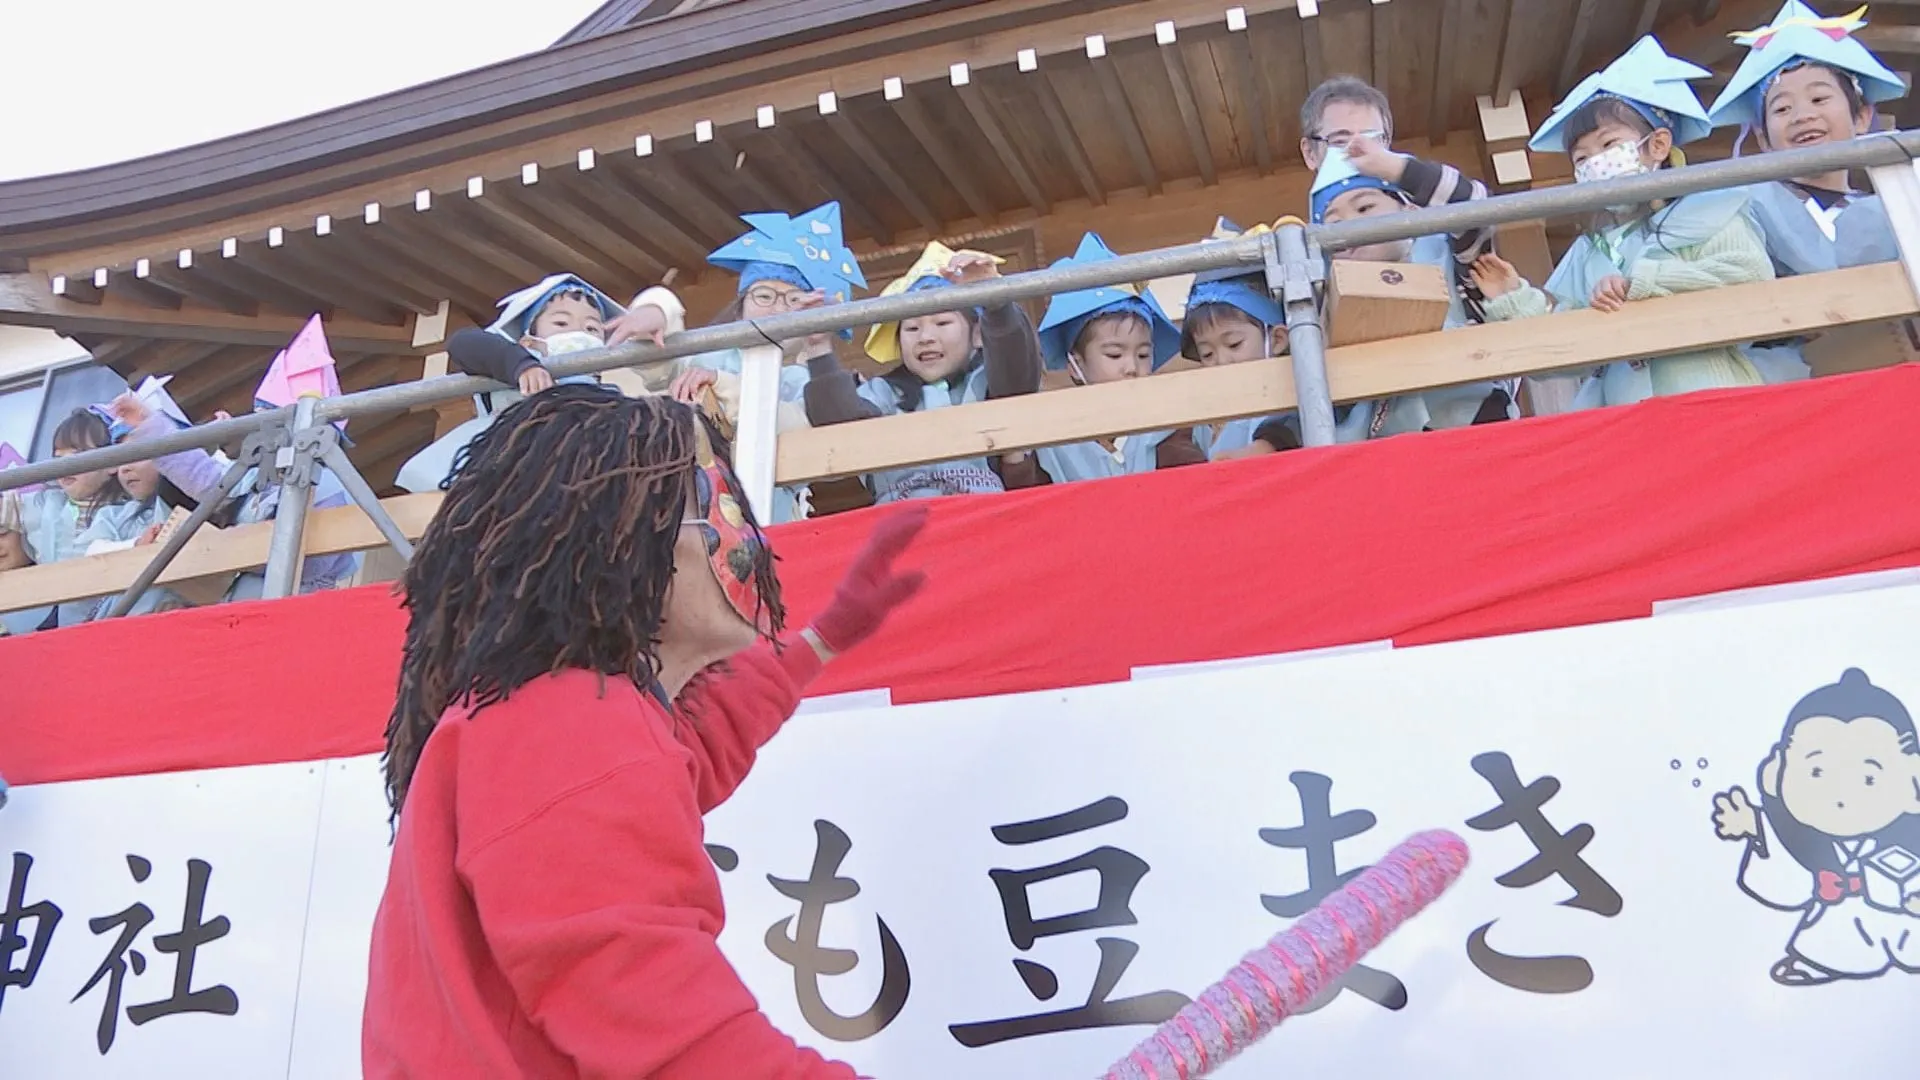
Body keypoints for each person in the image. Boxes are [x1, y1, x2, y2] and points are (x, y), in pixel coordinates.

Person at [364, 384, 928, 1077]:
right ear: (613, 535)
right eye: (703, 498)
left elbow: (685, 750)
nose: (740, 531)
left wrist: (821, 641)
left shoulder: (553, 715)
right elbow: (669, 1031)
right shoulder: (565, 718)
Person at [1474, 36, 1774, 410]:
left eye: (1608, 144)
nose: (1594, 163)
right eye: (1581, 158)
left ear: (1658, 145)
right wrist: (1516, 298)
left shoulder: (1713, 210)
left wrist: (1644, 283)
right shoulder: (1587, 251)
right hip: (1623, 420)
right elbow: (1559, 351)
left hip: (1713, 399)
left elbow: (1751, 277)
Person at [1706, 1, 1909, 382]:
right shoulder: (1744, 206)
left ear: (1862, 116)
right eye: (1782, 109)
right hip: (1788, 384)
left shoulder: (1901, 202)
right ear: (1764, 138)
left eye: (1819, 99)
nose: (1802, 116)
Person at [636, 201, 869, 523]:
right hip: (686, 514)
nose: (776, 309)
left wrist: (723, 385)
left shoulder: (801, 380)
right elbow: (656, 366)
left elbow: (802, 433)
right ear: (740, 306)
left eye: (793, 300)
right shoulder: (703, 355)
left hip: (771, 520)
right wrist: (658, 307)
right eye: (763, 296)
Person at [1711, 669, 1920, 985]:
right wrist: (1755, 828)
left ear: (1913, 783)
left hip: (1903, 916)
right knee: (1831, 944)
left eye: (1868, 778)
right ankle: (1819, 964)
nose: (1841, 795)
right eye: (1817, 772)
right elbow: (1785, 883)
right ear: (1777, 771)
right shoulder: (1806, 846)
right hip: (1841, 917)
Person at [804, 241, 1045, 502]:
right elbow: (840, 425)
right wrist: (820, 350)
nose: (926, 337)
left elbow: (1017, 368)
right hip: (903, 519)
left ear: (977, 334)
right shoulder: (884, 393)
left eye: (942, 322)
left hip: (981, 515)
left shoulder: (989, 383)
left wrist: (995, 302)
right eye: (912, 328)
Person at [395, 273, 678, 494]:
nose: (580, 332)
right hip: (510, 467)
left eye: (592, 328)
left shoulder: (609, 398)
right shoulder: (516, 363)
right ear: (530, 339)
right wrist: (522, 365)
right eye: (561, 324)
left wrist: (657, 312)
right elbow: (462, 344)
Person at [1310, 148, 1516, 432]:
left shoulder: (1458, 269)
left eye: (1365, 208)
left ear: (1410, 211)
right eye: (1333, 223)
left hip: (1476, 425)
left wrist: (1398, 170)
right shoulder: (1330, 310)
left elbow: (1476, 208)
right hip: (1388, 451)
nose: (1349, 225)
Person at [1031, 233, 1188, 483]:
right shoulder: (1052, 441)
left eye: (1144, 354)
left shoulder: (1171, 428)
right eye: (1115, 354)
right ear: (1076, 365)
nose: (1132, 368)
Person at [3, 408, 148, 633]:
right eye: (58, 458)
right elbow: (7, 508)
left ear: (111, 463)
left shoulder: (125, 511)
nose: (65, 465)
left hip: (116, 619)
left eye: (77, 454)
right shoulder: (45, 505)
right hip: (68, 624)